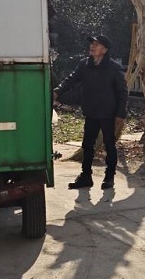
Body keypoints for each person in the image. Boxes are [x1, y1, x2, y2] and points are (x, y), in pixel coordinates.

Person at [53, 34, 128, 190]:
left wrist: (120, 114)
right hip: (91, 111)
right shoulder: (85, 64)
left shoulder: (113, 68)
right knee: (87, 145)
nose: (92, 46)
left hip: (108, 113)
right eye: (92, 43)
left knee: (109, 145)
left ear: (105, 50)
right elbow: (71, 79)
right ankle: (86, 176)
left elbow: (123, 92)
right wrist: (57, 91)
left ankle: (109, 177)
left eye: (97, 44)